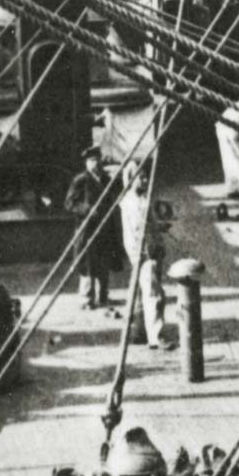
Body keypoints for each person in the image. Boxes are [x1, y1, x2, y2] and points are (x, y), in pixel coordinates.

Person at [64, 146, 125, 311]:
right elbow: (69, 203)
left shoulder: (106, 179)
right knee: (87, 263)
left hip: (105, 228)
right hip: (87, 230)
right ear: (86, 163)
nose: (95, 163)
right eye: (91, 160)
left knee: (104, 262)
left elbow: (117, 192)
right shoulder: (80, 180)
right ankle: (86, 299)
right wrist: (86, 210)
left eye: (97, 160)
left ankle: (102, 296)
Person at [119, 159, 171, 349]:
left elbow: (150, 225)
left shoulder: (141, 199)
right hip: (144, 253)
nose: (145, 180)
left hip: (149, 250)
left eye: (145, 177)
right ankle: (156, 336)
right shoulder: (132, 203)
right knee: (154, 294)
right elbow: (136, 233)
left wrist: (159, 230)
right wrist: (146, 253)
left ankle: (139, 332)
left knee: (142, 295)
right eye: (141, 177)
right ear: (131, 179)